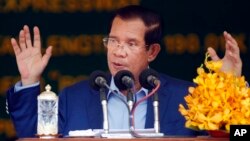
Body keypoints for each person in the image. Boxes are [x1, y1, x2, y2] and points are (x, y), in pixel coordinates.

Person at [6, 5, 242, 138]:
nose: (118, 52)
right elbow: (29, 138)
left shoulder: (188, 96)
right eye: (113, 41)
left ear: (152, 52)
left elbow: (241, 135)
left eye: (131, 44)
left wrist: (232, 90)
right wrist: (28, 80)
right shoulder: (73, 98)